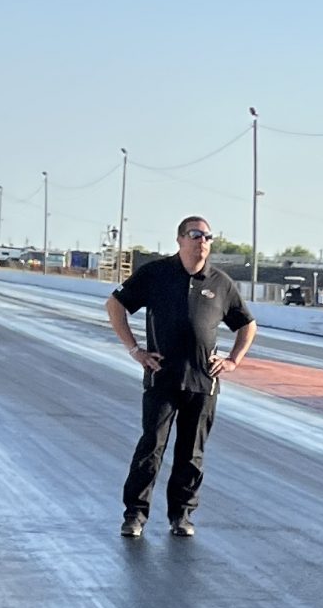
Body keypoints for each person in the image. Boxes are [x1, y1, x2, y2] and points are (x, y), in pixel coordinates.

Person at [105, 216, 257, 538]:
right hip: (163, 377)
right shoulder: (156, 274)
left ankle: (182, 516)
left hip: (203, 382)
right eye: (195, 235)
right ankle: (134, 515)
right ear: (180, 240)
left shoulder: (220, 283)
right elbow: (115, 305)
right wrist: (136, 351)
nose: (202, 241)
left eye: (208, 236)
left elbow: (247, 324)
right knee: (151, 447)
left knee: (192, 454)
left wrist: (232, 360)